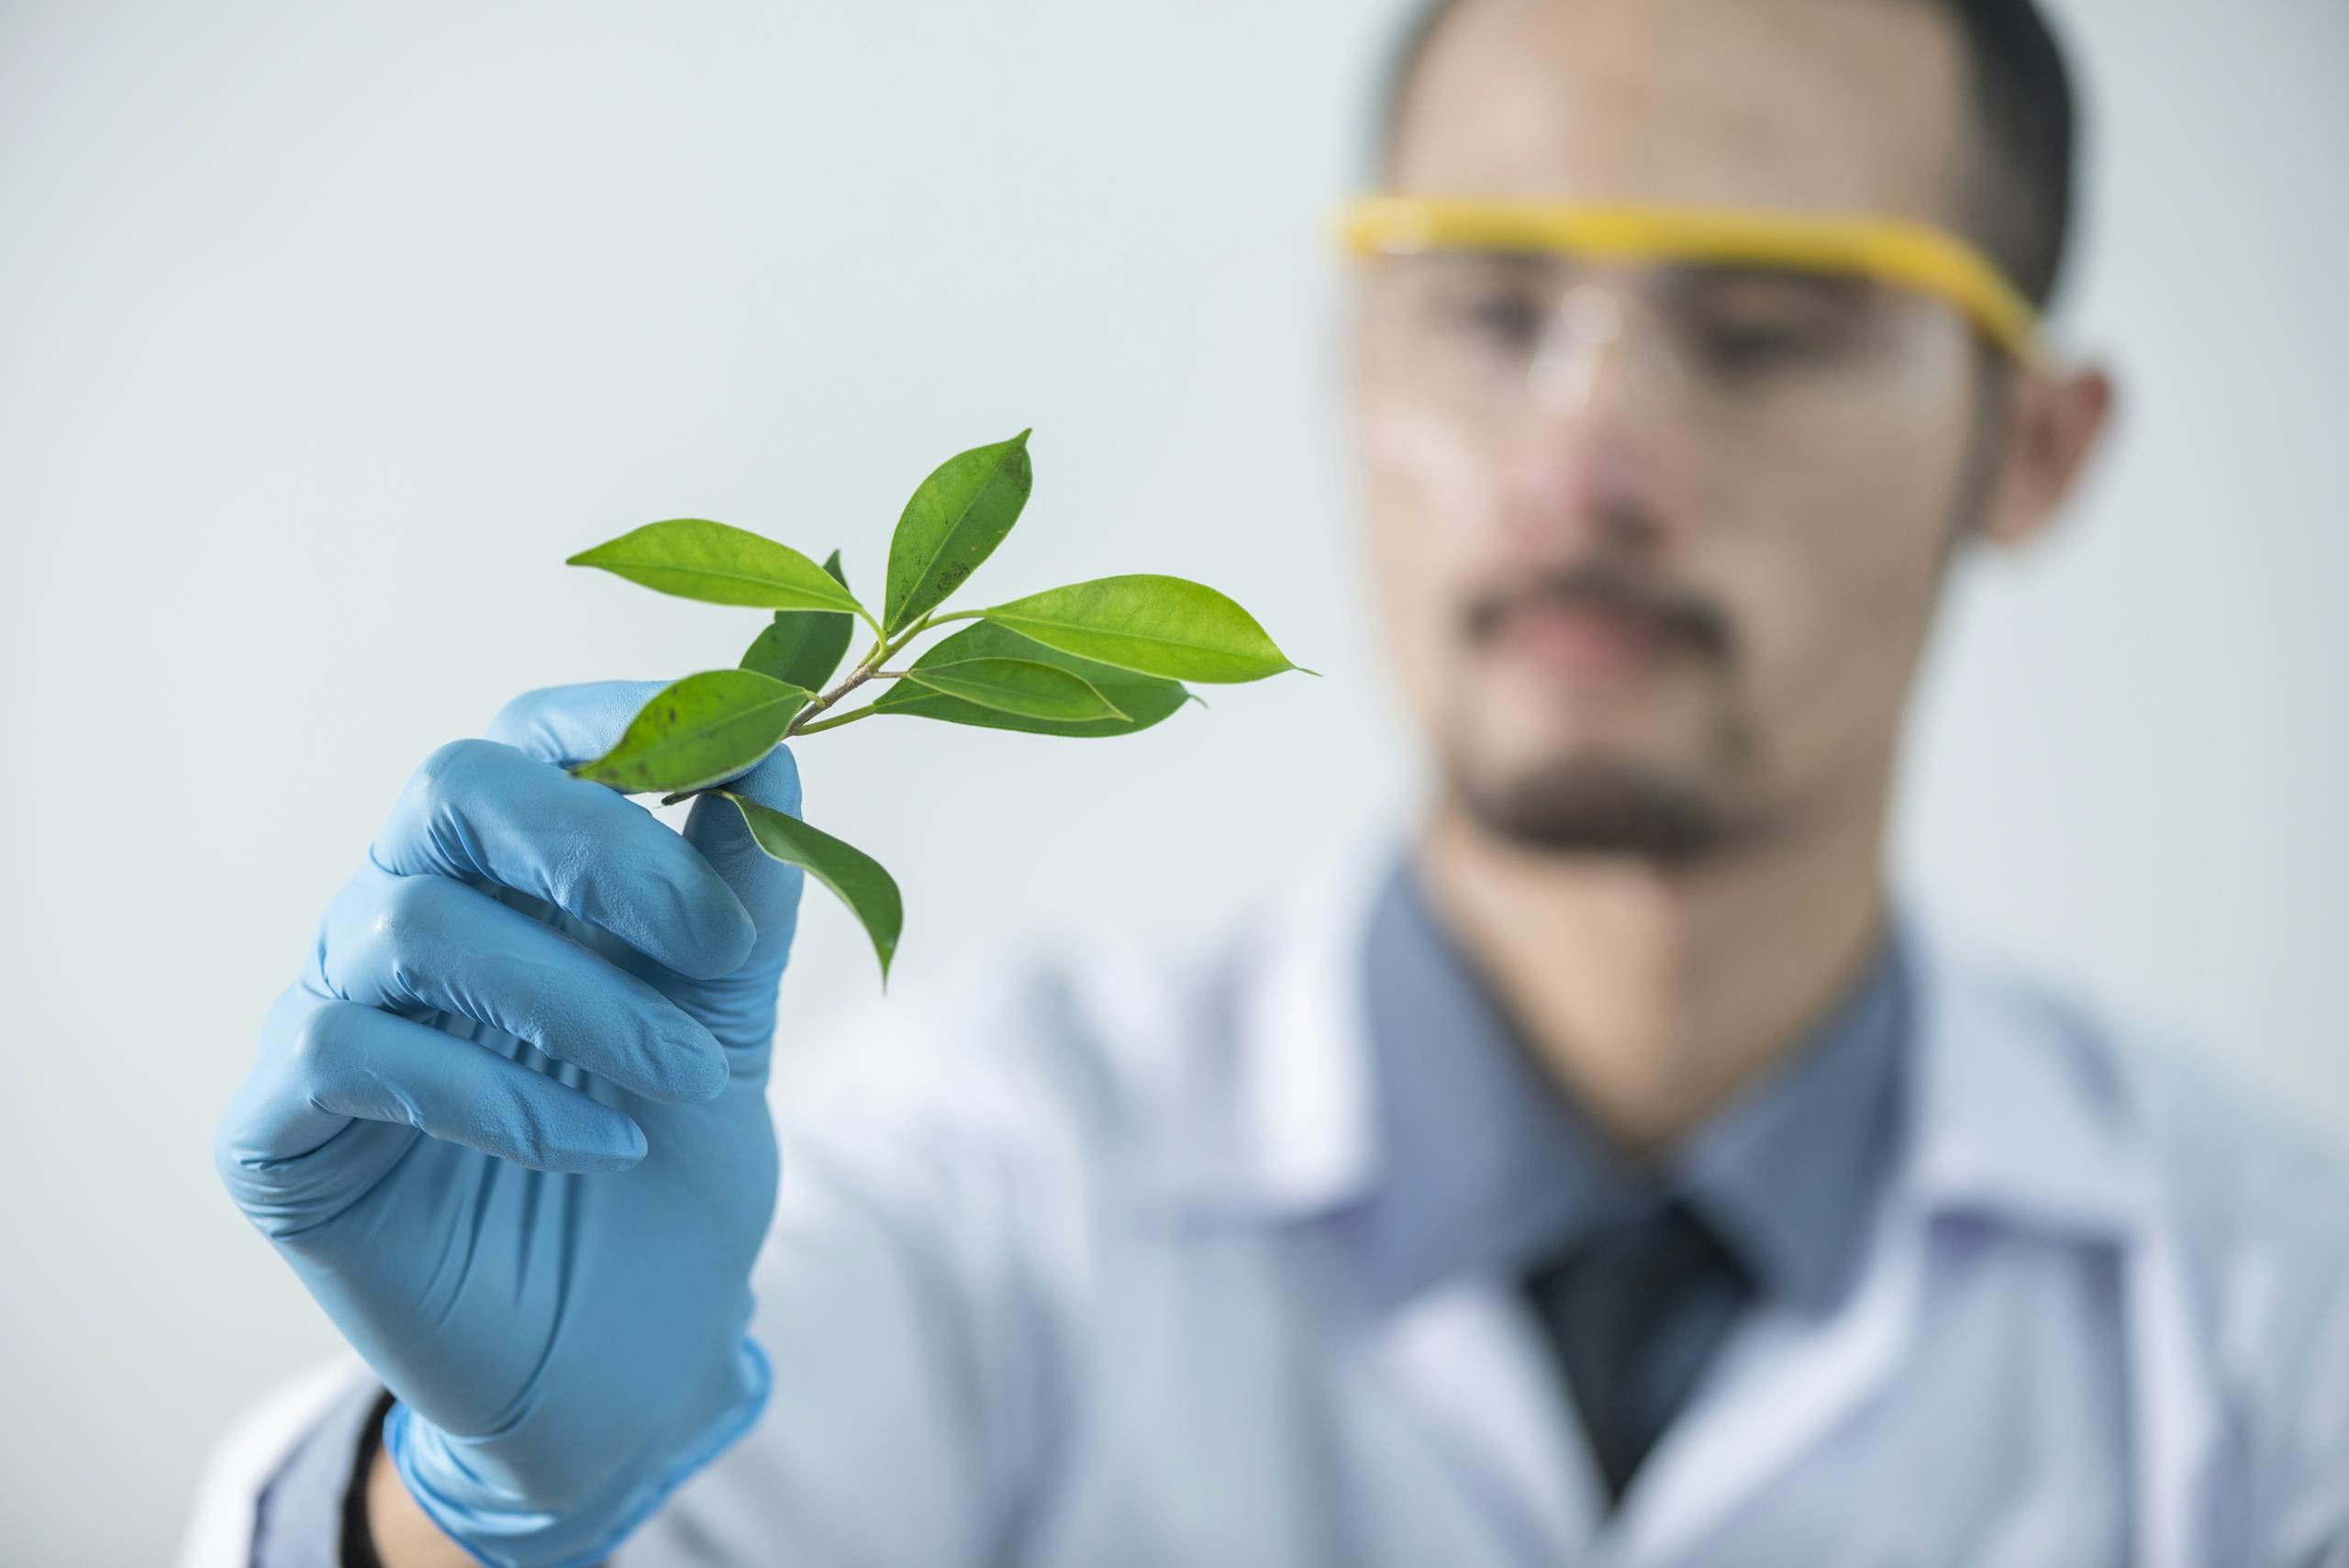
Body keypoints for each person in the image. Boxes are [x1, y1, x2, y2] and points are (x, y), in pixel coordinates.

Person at [188, 0, 2349, 1563]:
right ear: (1354, 362)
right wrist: (456, 1508)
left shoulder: (2268, 1331)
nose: (1577, 464)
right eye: (1486, 311)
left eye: (1762, 328)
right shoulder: (977, 1189)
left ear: (2030, 449)